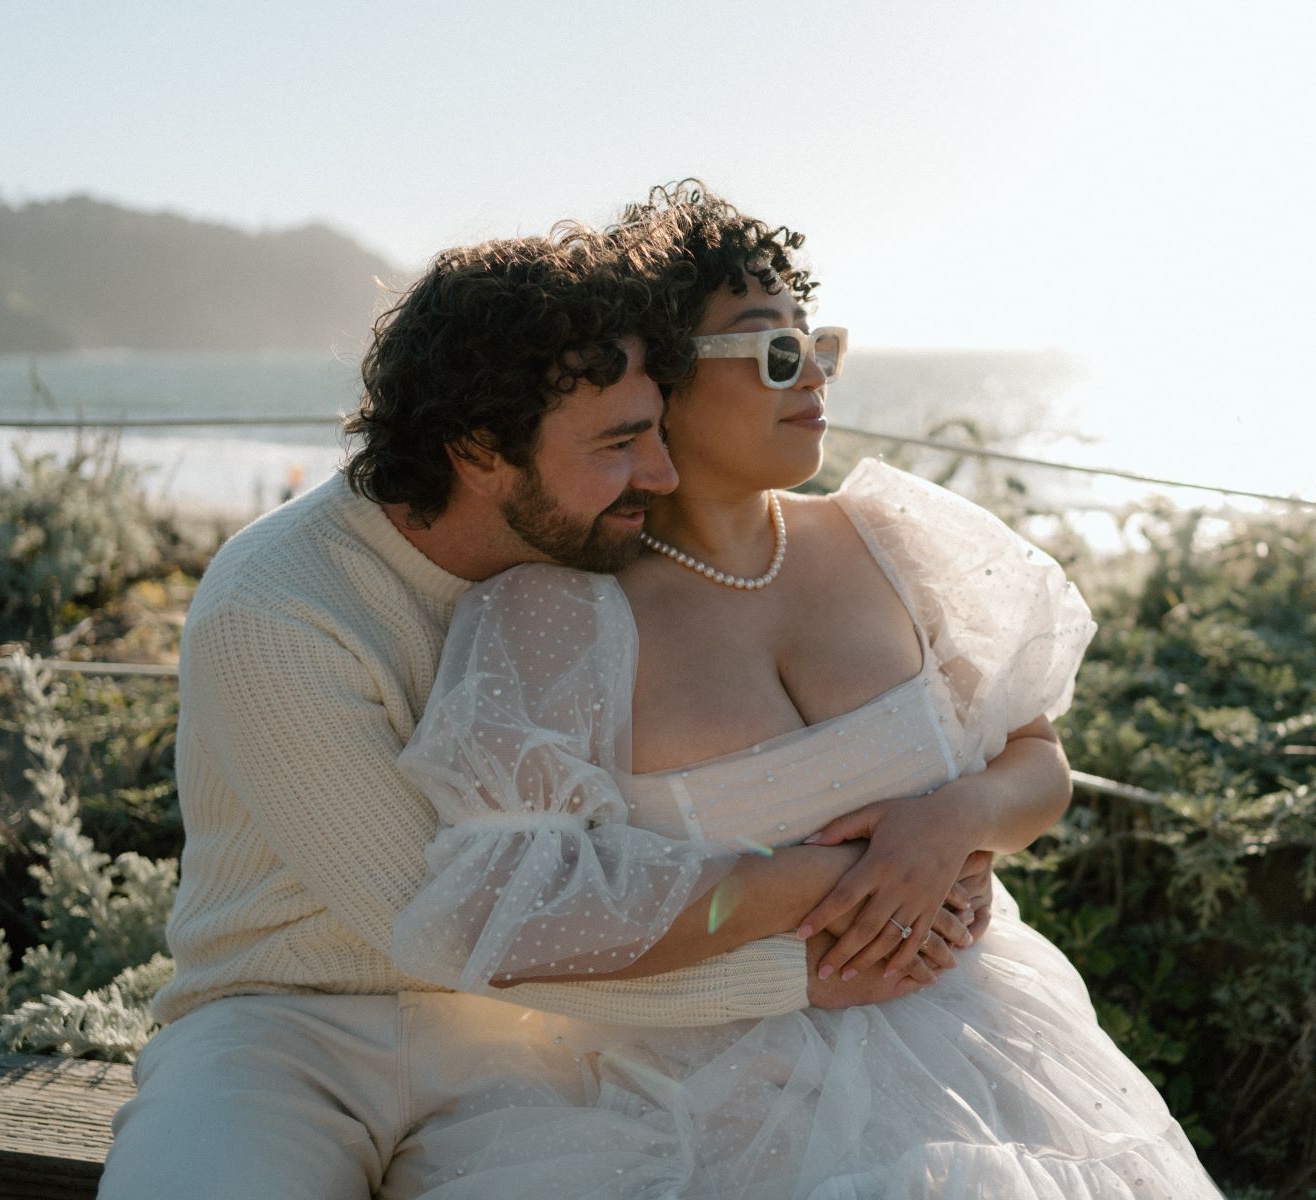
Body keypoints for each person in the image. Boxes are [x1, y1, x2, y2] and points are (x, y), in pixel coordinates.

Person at [98, 220, 997, 1200]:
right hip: (293, 1029)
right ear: (482, 451)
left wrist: (942, 828)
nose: (659, 476)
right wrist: (806, 963)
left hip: (551, 1036)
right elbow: (441, 924)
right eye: (621, 444)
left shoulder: (587, 572)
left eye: (657, 428)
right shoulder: (281, 607)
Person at [384, 184, 1224, 1197]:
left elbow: (1039, 764)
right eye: (774, 354)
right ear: (662, 389)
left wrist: (952, 818)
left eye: (818, 343)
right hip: (706, 1091)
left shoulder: (894, 539)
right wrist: (823, 886)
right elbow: (509, 908)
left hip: (986, 1037)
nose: (815, 377)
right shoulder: (560, 620)